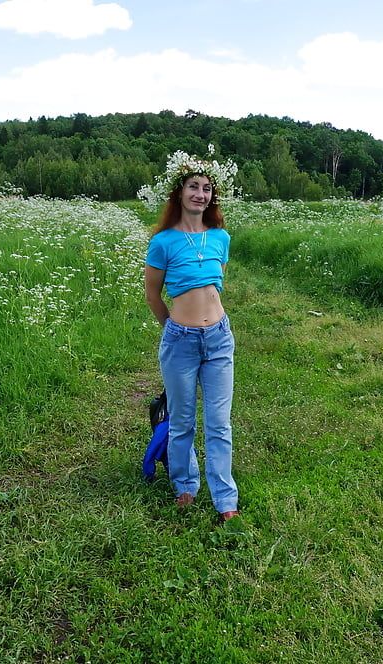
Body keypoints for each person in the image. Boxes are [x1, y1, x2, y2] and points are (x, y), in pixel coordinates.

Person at [142, 150, 239, 523]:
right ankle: (185, 485)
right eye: (193, 187)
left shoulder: (220, 237)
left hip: (218, 339)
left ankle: (225, 499)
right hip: (180, 340)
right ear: (179, 193)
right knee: (182, 420)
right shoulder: (163, 241)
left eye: (206, 188)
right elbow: (152, 295)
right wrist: (173, 328)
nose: (201, 194)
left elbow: (217, 282)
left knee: (219, 421)